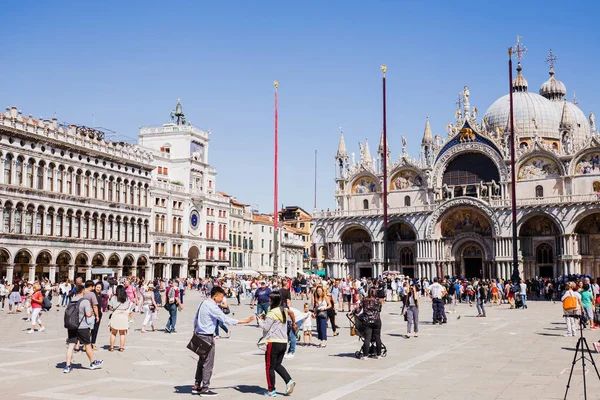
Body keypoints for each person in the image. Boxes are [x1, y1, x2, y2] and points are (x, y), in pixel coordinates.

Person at [191, 286, 255, 397]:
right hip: (207, 336)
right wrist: (243, 321)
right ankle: (205, 388)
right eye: (221, 297)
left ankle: (197, 385)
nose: (222, 299)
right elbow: (225, 319)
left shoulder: (202, 303)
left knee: (201, 361)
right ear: (215, 296)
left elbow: (195, 318)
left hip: (199, 334)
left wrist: (195, 329)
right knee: (208, 363)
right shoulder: (213, 307)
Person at [258, 292, 296, 397]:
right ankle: (289, 380)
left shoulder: (271, 313)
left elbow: (265, 327)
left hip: (273, 342)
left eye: (270, 300)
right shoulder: (283, 310)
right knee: (277, 365)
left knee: (269, 366)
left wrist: (259, 320)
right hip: (283, 342)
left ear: (272, 301)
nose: (269, 301)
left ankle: (271, 390)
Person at [64, 285, 103, 373]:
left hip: (72, 326)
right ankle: (92, 362)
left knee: (71, 345)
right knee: (87, 344)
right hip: (82, 326)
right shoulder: (84, 301)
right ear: (83, 292)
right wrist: (92, 314)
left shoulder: (71, 300)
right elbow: (88, 314)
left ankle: (67, 365)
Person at [351, 288, 383, 359]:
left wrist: (353, 312)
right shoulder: (378, 300)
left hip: (367, 321)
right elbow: (379, 309)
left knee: (367, 338)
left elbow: (358, 310)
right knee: (377, 337)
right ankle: (379, 354)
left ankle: (365, 355)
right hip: (376, 321)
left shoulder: (364, 300)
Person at [107, 285, 131, 352]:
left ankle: (111, 347)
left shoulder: (113, 298)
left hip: (115, 315)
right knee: (122, 333)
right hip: (123, 315)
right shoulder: (127, 298)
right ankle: (121, 348)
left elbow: (110, 307)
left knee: (113, 333)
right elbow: (127, 307)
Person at [90, 282, 103, 349]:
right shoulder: (93, 294)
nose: (98, 288)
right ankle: (86, 344)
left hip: (99, 313)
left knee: (95, 329)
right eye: (97, 287)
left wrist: (101, 309)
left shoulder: (99, 295)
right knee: (90, 329)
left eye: (99, 287)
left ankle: (93, 343)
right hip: (93, 313)